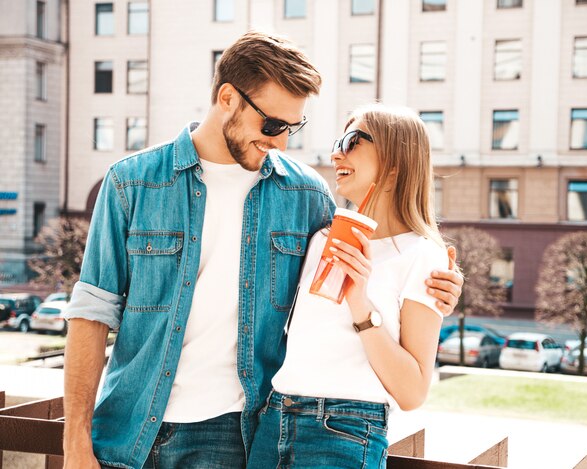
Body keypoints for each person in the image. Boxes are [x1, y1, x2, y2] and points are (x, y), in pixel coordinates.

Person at [62, 32, 463, 469]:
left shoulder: (307, 195)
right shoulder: (131, 182)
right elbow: (92, 312)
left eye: (293, 128)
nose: (281, 142)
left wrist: (440, 285)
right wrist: (75, 443)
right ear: (228, 98)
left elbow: (381, 258)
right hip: (126, 429)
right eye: (272, 125)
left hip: (233, 436)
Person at [248, 104, 450, 468]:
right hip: (274, 419)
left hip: (345, 429)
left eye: (352, 140)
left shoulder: (422, 256)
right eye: (339, 140)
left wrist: (361, 302)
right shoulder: (321, 237)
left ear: (395, 162)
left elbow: (412, 392)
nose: (336, 152)